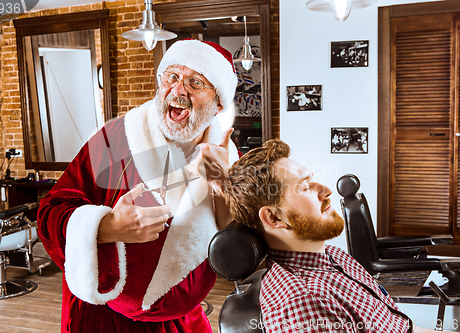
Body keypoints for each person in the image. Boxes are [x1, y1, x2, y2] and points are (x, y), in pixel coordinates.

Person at [37, 39, 239, 332]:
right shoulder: (114, 139)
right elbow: (49, 212)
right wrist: (106, 227)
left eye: (195, 82)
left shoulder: (228, 158)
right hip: (104, 318)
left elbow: (244, 240)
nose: (178, 89)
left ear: (217, 103)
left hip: (183, 321)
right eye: (172, 77)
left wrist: (225, 185)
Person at [222, 139, 451, 333]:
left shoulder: (333, 256)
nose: (326, 190)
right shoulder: (303, 304)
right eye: (305, 187)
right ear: (274, 218)